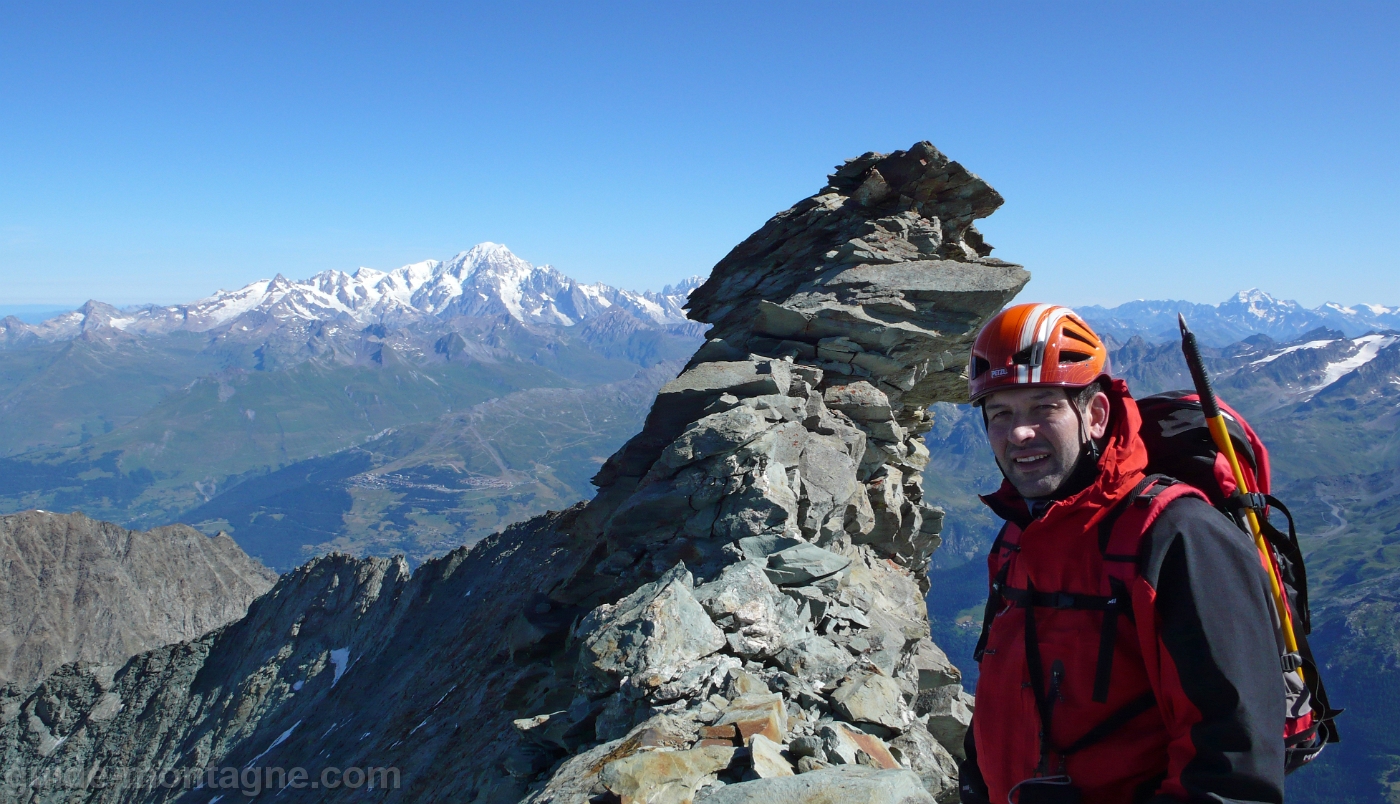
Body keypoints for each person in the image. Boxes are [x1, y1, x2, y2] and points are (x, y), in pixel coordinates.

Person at [958, 304, 1286, 804]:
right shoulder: (1018, 537)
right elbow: (1003, 690)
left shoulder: (1176, 535)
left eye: (1043, 407)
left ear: (1094, 415)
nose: (1018, 433)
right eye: (1000, 413)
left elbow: (1232, 769)